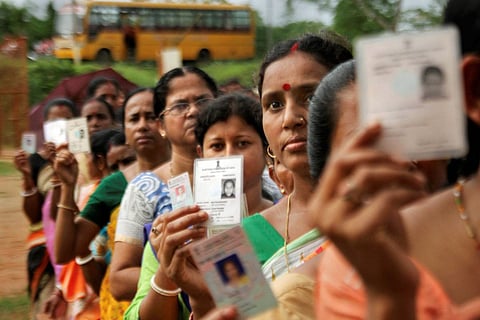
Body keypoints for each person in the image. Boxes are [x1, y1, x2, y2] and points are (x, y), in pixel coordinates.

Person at [140, 32, 353, 320]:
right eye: (274, 105)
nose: (290, 118)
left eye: (311, 96)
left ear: (354, 99)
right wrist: (202, 296)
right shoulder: (238, 239)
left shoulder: (395, 208)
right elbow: (243, 315)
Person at [309, 40, 480, 319]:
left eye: (415, 133)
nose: (401, 160)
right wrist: (389, 299)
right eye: (374, 143)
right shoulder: (342, 280)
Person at [125, 92, 274, 320]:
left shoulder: (286, 220)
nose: (229, 156)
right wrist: (169, 270)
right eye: (216, 146)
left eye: (242, 143)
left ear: (265, 150)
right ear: (200, 155)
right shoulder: (177, 230)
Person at [53, 88, 170, 319]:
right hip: (123, 307)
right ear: (125, 131)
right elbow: (66, 251)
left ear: (167, 123)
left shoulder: (195, 174)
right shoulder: (114, 185)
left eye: (152, 117)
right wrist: (67, 188)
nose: (143, 125)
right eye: (134, 119)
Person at [110, 67, 218, 303]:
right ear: (161, 125)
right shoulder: (145, 189)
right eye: (180, 106)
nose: (194, 111)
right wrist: (183, 275)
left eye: (203, 101)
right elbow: (119, 280)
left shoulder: (252, 175)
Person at [14, 97, 76, 319]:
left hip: (79, 241)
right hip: (46, 252)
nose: (61, 127)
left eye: (67, 121)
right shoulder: (36, 161)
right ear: (45, 127)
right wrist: (27, 177)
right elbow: (33, 215)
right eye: (54, 123)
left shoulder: (87, 158)